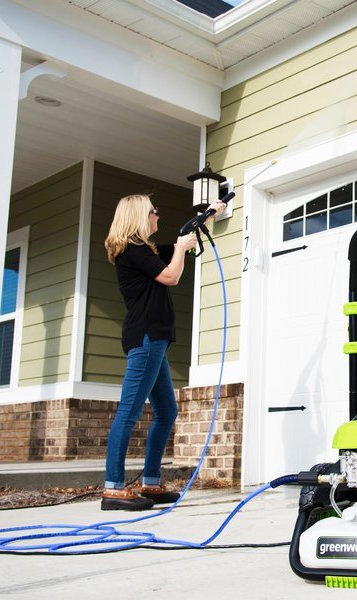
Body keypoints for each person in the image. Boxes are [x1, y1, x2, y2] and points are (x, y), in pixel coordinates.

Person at [102, 193, 226, 510]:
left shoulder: (148, 251)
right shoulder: (133, 250)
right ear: (139, 216)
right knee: (129, 412)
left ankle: (151, 483)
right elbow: (170, 276)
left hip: (155, 340)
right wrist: (182, 249)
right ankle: (113, 489)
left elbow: (186, 236)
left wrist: (210, 212)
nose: (158, 215)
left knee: (167, 412)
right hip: (146, 338)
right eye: (153, 211)